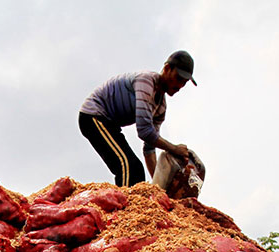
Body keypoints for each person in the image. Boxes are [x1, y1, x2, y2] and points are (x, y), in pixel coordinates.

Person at [79, 50, 197, 187]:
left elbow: (149, 147)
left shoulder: (160, 108)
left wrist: (158, 187)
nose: (180, 86)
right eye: (178, 78)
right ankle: (124, 208)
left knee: (137, 172)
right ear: (166, 69)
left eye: (184, 82)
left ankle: (131, 203)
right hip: (94, 116)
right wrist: (173, 149)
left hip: (110, 125)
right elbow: (144, 131)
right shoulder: (146, 82)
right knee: (127, 165)